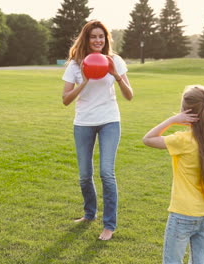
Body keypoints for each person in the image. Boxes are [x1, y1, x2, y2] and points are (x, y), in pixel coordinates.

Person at [143, 85, 204, 263]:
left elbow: (148, 139)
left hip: (183, 214)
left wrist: (172, 120)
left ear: (185, 111)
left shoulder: (183, 140)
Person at [62, 20, 134, 240]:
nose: (97, 40)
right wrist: (85, 80)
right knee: (85, 176)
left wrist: (116, 75)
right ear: (86, 38)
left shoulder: (115, 61)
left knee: (106, 173)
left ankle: (109, 225)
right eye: (93, 36)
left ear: (106, 39)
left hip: (109, 121)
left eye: (101, 37)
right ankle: (89, 214)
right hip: (83, 122)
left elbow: (129, 95)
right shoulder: (75, 65)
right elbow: (65, 100)